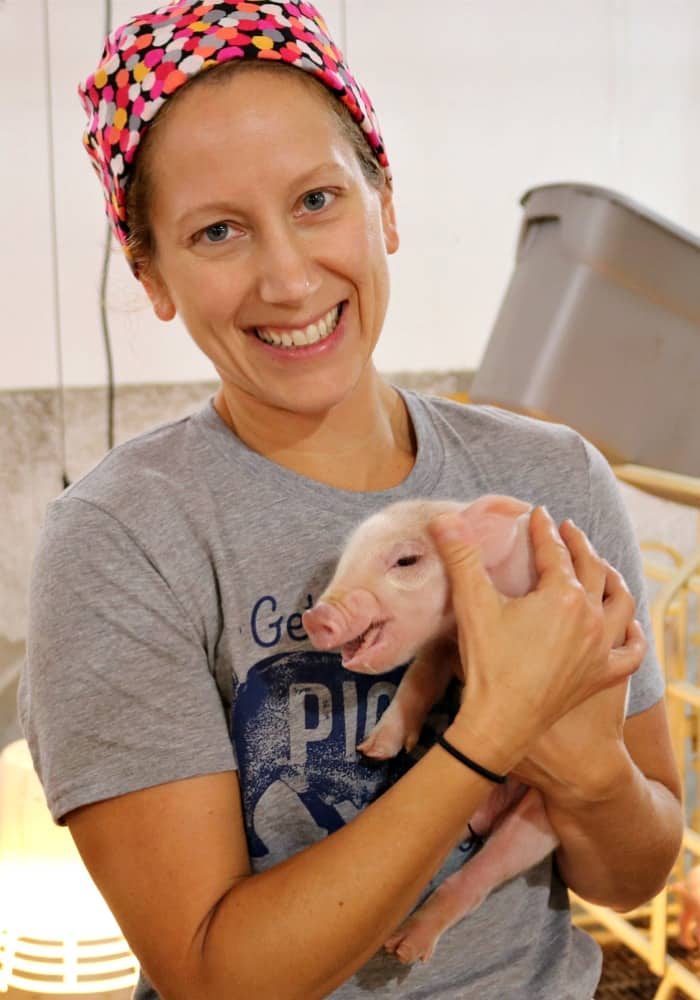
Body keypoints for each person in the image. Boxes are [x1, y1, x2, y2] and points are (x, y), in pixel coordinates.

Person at [19, 3, 682, 998]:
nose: (287, 277)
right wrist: (487, 736)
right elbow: (215, 974)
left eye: (319, 200)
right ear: (153, 273)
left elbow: (628, 875)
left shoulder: (551, 483)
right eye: (217, 230)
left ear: (387, 206)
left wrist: (585, 770)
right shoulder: (123, 540)